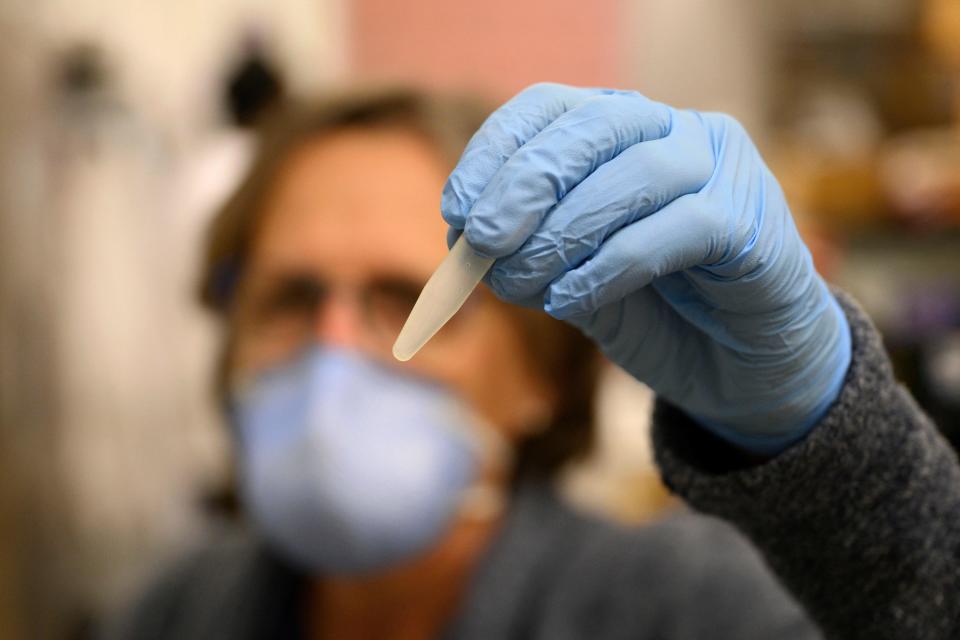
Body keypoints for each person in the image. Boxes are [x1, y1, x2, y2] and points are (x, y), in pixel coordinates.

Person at [104, 84, 960, 640]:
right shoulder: (179, 609)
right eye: (290, 298)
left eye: (404, 298)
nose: (337, 353)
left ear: (541, 379)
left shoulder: (685, 610)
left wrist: (850, 470)